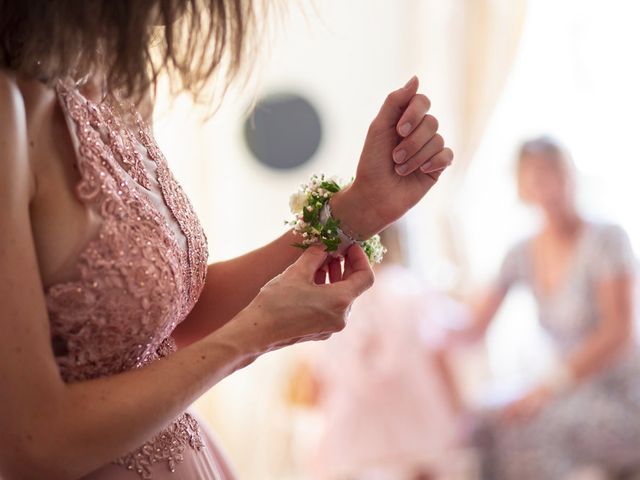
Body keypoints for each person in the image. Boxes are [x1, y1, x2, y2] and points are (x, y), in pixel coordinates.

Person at [0, 1, 454, 479]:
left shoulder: (120, 93)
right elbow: (31, 441)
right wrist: (254, 334)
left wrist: (357, 210)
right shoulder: (12, 110)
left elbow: (170, 319)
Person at [453, 137, 640, 479]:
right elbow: (473, 326)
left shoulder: (607, 239)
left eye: (553, 172)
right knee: (481, 424)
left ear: (570, 175)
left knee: (529, 429)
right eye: (535, 175)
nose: (547, 183)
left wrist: (544, 388)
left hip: (619, 393)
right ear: (522, 185)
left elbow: (618, 332)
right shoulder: (520, 252)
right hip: (565, 391)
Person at [310, 225, 465, 480]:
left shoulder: (337, 298)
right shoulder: (413, 288)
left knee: (351, 466)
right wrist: (458, 409)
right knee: (424, 466)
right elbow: (440, 354)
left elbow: (321, 371)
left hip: (354, 420)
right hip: (415, 415)